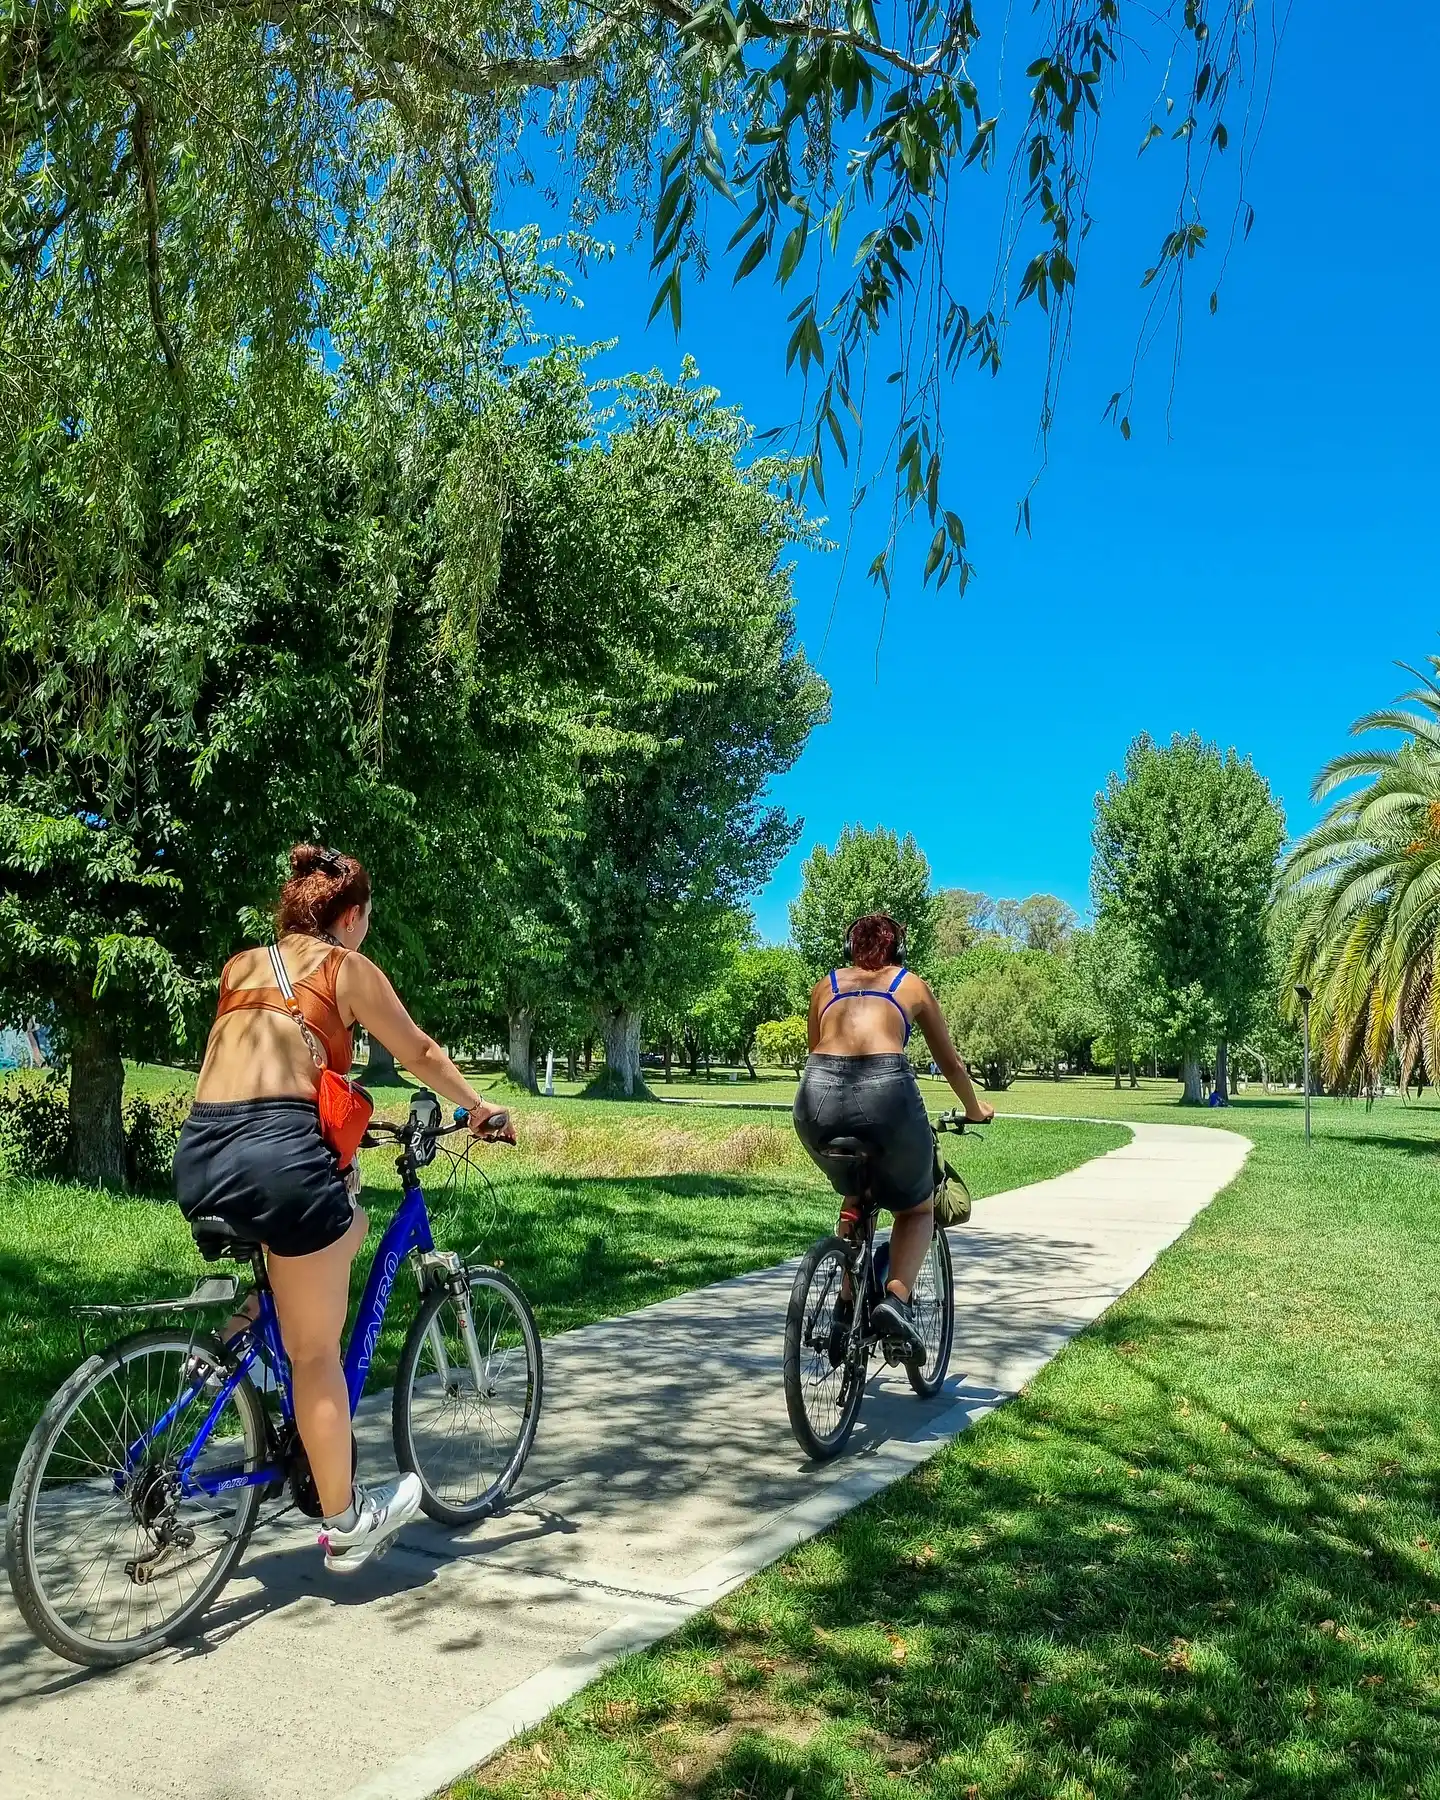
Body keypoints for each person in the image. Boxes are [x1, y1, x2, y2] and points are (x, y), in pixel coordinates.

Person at [174, 843, 514, 1572]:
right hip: (279, 1156)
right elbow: (418, 1050)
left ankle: (230, 1351)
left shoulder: (241, 964)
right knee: (316, 1351)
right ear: (350, 916)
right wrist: (479, 1107)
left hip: (201, 1150)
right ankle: (345, 1517)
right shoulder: (346, 968)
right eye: (368, 918)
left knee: (344, 1223)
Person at [793, 912, 993, 1353]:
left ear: (849, 951)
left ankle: (846, 1299)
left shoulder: (824, 986)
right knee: (917, 1209)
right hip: (887, 1094)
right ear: (898, 952)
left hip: (816, 1098)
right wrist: (975, 1109)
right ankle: (896, 1301)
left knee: (856, 1191)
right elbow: (951, 1064)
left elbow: (816, 1054)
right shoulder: (911, 985)